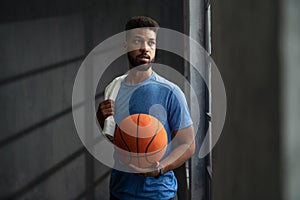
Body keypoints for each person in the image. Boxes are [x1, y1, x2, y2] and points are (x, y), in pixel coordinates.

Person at [97, 16, 195, 200]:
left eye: (151, 42)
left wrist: (160, 168)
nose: (145, 48)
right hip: (120, 192)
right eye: (137, 41)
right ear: (125, 45)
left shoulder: (170, 92)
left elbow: (188, 144)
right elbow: (121, 140)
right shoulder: (114, 88)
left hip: (159, 194)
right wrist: (102, 121)